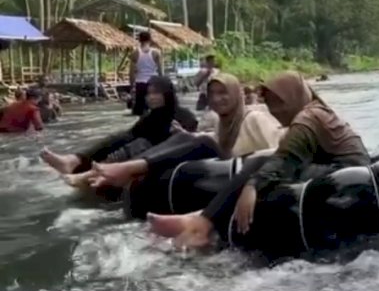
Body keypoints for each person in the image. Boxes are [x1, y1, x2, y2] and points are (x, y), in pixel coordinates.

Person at [147, 71, 371, 249]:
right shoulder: (315, 110)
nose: (275, 111)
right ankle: (200, 218)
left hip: (346, 172)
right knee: (263, 167)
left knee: (259, 163)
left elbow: (284, 158)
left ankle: (201, 226)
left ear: (295, 96)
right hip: (340, 168)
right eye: (271, 104)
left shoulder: (308, 117)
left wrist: (252, 185)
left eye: (280, 102)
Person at [86, 73, 285, 189]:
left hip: (247, 177)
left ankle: (125, 169)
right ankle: (113, 169)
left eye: (223, 93)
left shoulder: (255, 119)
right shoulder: (222, 124)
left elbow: (278, 153)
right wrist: (187, 135)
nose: (216, 99)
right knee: (190, 138)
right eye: (212, 94)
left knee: (202, 142)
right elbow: (211, 139)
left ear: (236, 94)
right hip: (224, 174)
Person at [40, 76, 198, 187]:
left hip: (157, 159)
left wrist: (181, 133)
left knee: (140, 144)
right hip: (137, 157)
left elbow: (192, 142)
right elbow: (127, 137)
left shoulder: (185, 116)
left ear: (168, 94)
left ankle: (88, 174)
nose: (151, 97)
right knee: (120, 137)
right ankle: (74, 161)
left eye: (156, 93)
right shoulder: (149, 117)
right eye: (149, 93)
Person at [130, 31, 163, 116]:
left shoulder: (135, 53)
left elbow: (131, 73)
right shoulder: (156, 53)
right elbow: (160, 71)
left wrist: (132, 87)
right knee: (155, 108)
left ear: (139, 40)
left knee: (142, 111)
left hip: (140, 83)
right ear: (150, 40)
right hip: (153, 82)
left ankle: (144, 126)